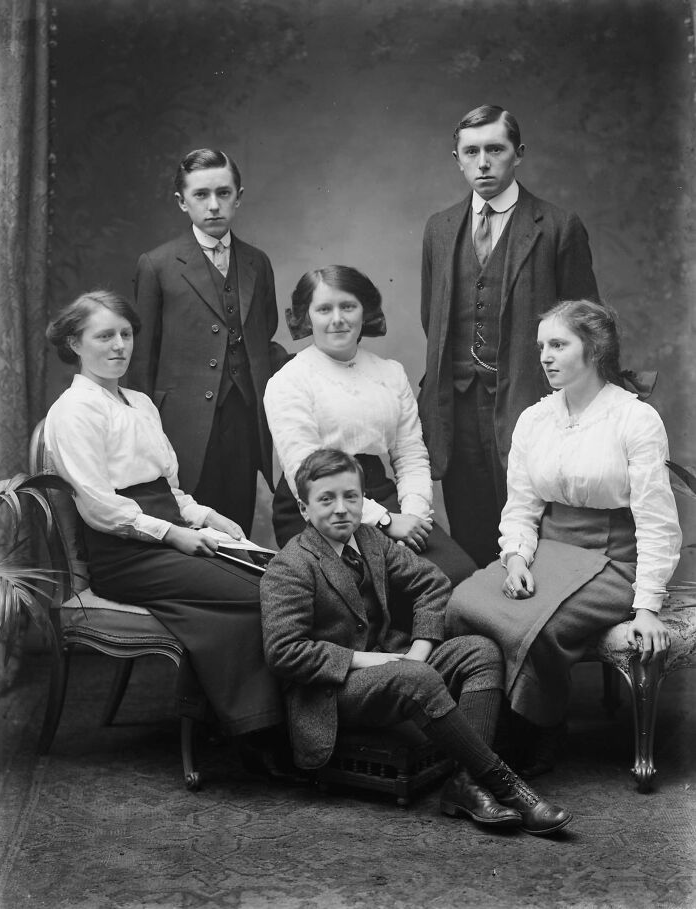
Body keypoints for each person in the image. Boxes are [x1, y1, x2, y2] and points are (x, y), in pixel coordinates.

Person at [260, 448, 572, 836]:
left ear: (362, 500)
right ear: (304, 509)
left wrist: (420, 650)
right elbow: (284, 652)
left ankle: (466, 784)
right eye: (326, 499)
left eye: (351, 497)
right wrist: (370, 661)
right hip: (331, 692)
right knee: (416, 678)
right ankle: (509, 787)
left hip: (394, 667)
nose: (341, 509)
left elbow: (432, 583)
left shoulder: (369, 539)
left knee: (480, 652)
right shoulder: (290, 565)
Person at [446, 300, 682, 776]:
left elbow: (657, 522)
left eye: (558, 344)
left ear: (594, 349)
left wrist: (647, 607)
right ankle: (482, 741)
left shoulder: (634, 419)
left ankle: (539, 729)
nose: (545, 357)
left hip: (613, 560)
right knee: (463, 604)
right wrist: (516, 559)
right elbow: (522, 507)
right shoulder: (535, 419)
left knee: (536, 626)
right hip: (547, 551)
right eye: (541, 347)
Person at [44, 290, 283, 743]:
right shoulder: (72, 412)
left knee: (277, 578)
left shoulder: (141, 403)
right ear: (75, 344)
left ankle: (255, 725)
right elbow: (99, 506)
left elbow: (169, 490)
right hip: (124, 555)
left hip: (170, 533)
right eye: (104, 336)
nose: (119, 346)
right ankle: (256, 726)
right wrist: (173, 534)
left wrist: (206, 516)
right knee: (264, 592)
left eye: (126, 334)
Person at [419, 104, 599, 568]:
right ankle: (480, 614)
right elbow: (432, 320)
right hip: (457, 406)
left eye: (495, 150)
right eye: (471, 152)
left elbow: (587, 329)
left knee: (532, 528)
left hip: (531, 402)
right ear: (457, 158)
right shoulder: (439, 229)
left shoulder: (557, 226)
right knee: (471, 531)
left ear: (518, 153)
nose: (483, 162)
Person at [263, 264, 476, 590]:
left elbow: (410, 454)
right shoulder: (289, 381)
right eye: (324, 309)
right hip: (317, 506)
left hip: (379, 493)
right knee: (395, 587)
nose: (337, 319)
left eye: (348, 306)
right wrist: (386, 522)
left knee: (460, 575)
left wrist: (413, 517)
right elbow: (305, 473)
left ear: (365, 311)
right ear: (307, 317)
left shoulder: (390, 373)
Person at [129, 148, 287, 533]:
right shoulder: (158, 265)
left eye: (223, 193)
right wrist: (144, 433)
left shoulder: (257, 262)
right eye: (201, 194)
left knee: (237, 523)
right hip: (181, 424)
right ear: (182, 201)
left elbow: (263, 336)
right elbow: (142, 361)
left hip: (244, 417)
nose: (213, 205)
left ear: (239, 197)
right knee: (194, 528)